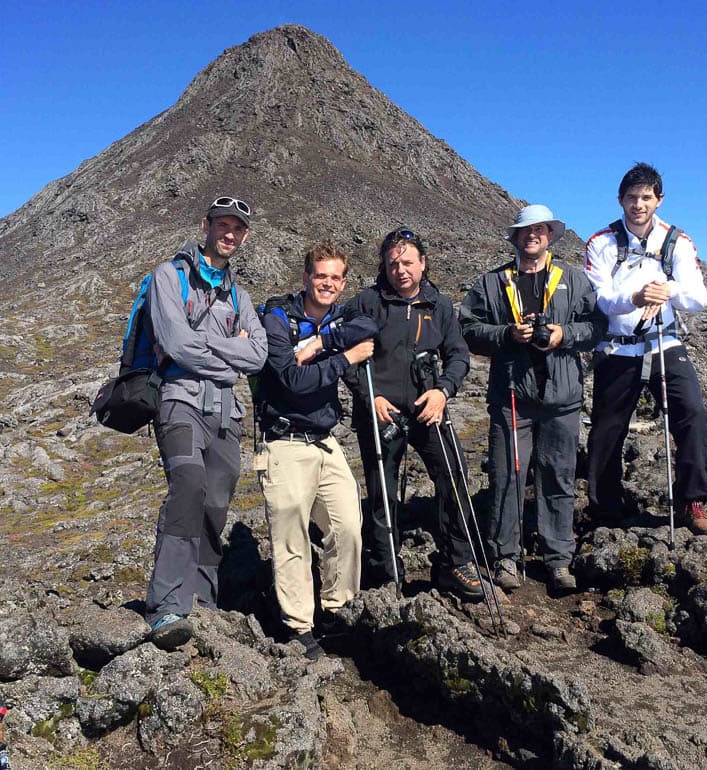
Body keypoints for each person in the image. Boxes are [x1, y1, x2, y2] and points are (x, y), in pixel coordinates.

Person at [460, 205, 606, 594]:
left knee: (558, 476)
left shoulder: (573, 280)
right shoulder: (491, 284)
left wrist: (564, 335)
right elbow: (468, 328)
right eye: (525, 231)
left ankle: (558, 559)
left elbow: (597, 326)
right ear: (515, 237)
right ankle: (505, 556)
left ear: (550, 236)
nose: (532, 236)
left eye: (539, 230)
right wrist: (506, 335)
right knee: (507, 474)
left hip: (563, 398)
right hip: (512, 397)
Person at [145, 196, 268, 649]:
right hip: (178, 401)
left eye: (238, 227)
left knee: (216, 502)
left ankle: (203, 600)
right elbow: (176, 344)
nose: (229, 233)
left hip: (226, 413)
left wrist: (209, 347)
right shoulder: (169, 277)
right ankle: (166, 607)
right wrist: (226, 352)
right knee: (188, 486)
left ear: (245, 236)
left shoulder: (239, 293)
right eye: (222, 224)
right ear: (206, 225)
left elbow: (258, 354)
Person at [343, 227, 482, 600]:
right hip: (381, 412)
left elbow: (458, 355)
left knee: (454, 476)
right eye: (392, 264)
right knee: (381, 492)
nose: (400, 270)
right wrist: (368, 396)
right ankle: (386, 569)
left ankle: (456, 562)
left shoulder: (440, 306)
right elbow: (346, 356)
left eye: (407, 262)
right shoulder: (367, 303)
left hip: (428, 409)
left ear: (423, 263)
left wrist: (443, 391)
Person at [255, 243, 378, 660]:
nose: (327, 283)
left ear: (343, 283)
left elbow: (369, 326)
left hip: (326, 443)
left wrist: (321, 342)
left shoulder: (341, 315)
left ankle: (337, 609)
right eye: (320, 275)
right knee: (290, 538)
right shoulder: (276, 319)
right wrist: (343, 358)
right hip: (284, 443)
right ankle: (299, 627)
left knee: (347, 527)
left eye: (335, 278)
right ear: (306, 277)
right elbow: (291, 380)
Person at [584, 163, 707, 535]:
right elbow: (603, 299)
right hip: (618, 349)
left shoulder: (678, 241)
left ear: (659, 200)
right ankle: (605, 509)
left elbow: (698, 298)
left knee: (692, 415)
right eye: (631, 197)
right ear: (620, 200)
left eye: (646, 197)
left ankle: (693, 501)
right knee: (607, 429)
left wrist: (668, 289)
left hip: (665, 343)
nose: (638, 204)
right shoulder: (601, 243)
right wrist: (637, 296)